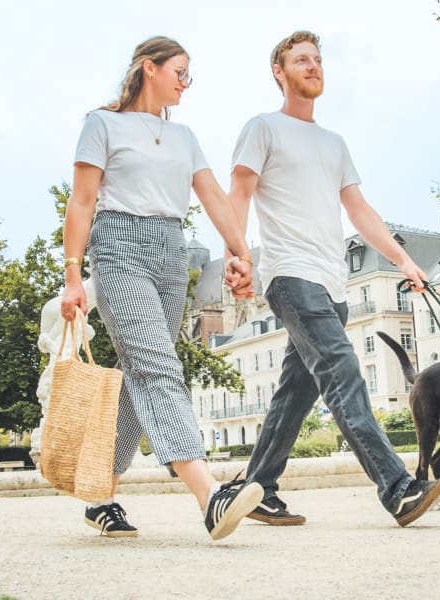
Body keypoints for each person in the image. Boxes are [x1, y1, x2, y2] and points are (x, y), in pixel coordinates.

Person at [221, 31, 440, 528]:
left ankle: (255, 488)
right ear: (279, 72)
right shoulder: (263, 127)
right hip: (290, 276)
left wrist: (403, 261)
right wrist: (237, 256)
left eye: (318, 59)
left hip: (332, 287)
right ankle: (397, 489)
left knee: (293, 396)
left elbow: (359, 210)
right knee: (344, 376)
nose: (313, 66)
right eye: (301, 59)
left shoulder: (334, 143)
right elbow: (238, 194)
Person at [60, 36, 262, 541]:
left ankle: (100, 495)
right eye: (179, 72)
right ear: (149, 68)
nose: (185, 83)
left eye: (189, 75)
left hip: (171, 254)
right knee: (158, 366)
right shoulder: (102, 123)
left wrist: (241, 255)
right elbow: (82, 202)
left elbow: (213, 195)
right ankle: (210, 495)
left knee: (139, 377)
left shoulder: (184, 135)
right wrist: (71, 276)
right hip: (119, 247)